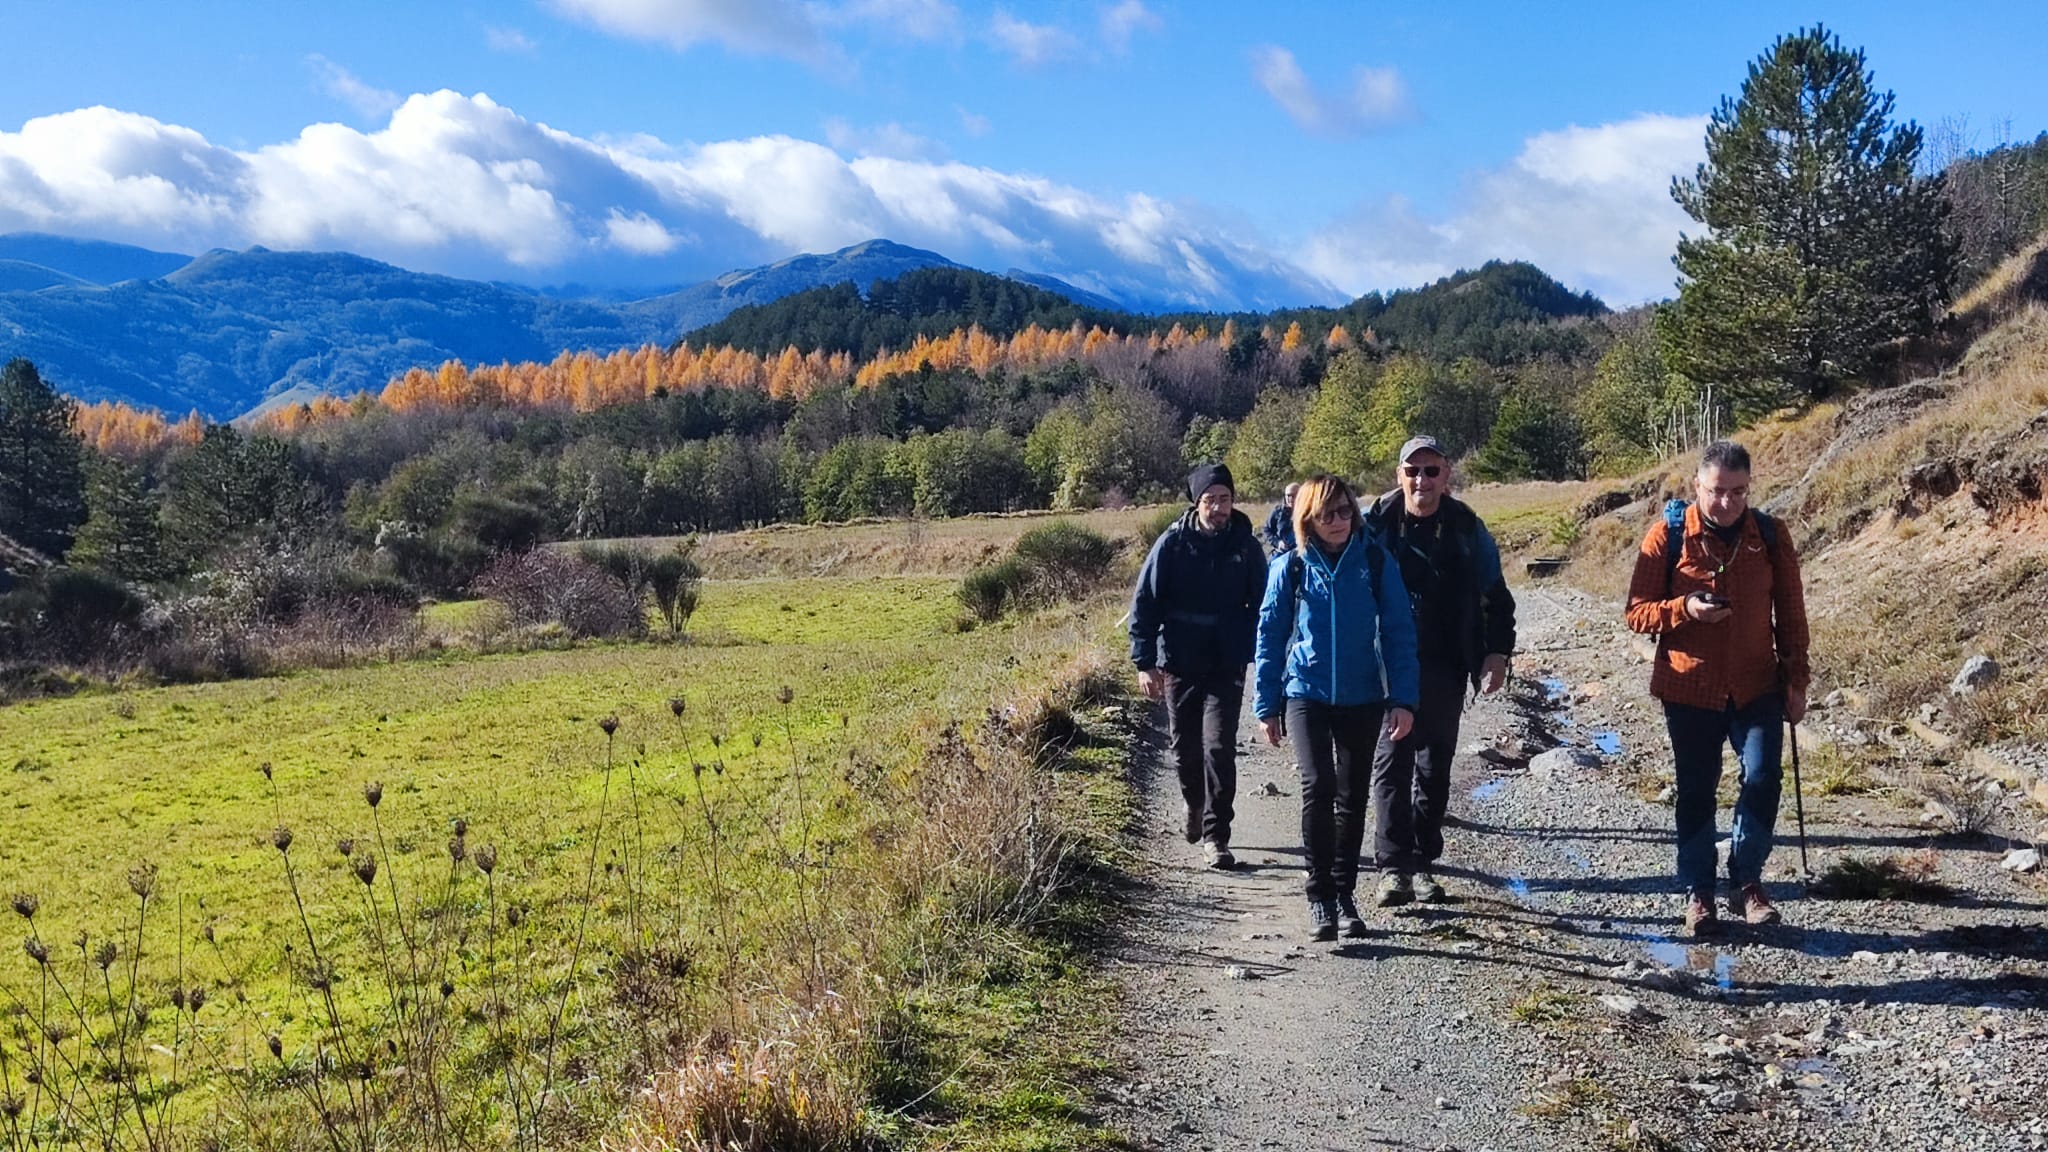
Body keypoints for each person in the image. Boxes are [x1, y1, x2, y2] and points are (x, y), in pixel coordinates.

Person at [1624, 440, 1810, 936]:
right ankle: (1698, 891)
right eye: (1717, 492)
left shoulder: (1769, 535)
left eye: (1738, 492)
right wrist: (1684, 609)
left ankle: (1747, 880)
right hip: (1689, 687)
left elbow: (1790, 613)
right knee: (1696, 790)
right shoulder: (1665, 537)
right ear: (1696, 488)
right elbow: (1637, 613)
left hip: (1757, 684)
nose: (1727, 502)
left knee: (1763, 777)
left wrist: (1797, 681)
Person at [1255, 474, 1418, 940]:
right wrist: (1267, 703)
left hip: (1363, 695)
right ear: (1308, 517)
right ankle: (1319, 894)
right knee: (1317, 785)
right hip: (1305, 693)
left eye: (1346, 511)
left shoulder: (1374, 560)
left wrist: (1403, 699)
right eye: (1328, 514)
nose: (1339, 521)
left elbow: (1399, 633)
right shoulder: (1291, 567)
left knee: (1351, 797)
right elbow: (1270, 636)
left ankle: (1345, 896)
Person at [1364, 436, 1517, 907]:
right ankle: (1393, 867)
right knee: (1392, 762)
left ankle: (1423, 860)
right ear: (1399, 476)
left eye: (1431, 471)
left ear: (1446, 476)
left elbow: (1497, 595)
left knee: (1434, 766)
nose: (1421, 481)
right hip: (1389, 664)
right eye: (1413, 471)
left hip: (1447, 662)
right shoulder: (1375, 526)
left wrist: (1496, 655)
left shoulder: (1468, 527)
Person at [1131, 463, 1269, 869]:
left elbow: (1266, 607)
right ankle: (1195, 803)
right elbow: (1145, 603)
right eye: (1211, 500)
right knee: (1185, 749)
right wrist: (1144, 662)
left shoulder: (1246, 546)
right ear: (1197, 503)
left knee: (1219, 747)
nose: (1219, 507)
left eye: (1225, 499)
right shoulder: (1171, 545)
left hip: (1226, 662)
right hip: (1178, 660)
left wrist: (1266, 657)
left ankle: (1216, 836)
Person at [1262, 482, 1301, 555]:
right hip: (1282, 553)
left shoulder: (1308, 513)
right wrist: (1278, 542)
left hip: (1303, 553)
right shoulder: (1278, 512)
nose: (1291, 498)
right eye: (1288, 495)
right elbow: (1266, 530)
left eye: (1294, 495)